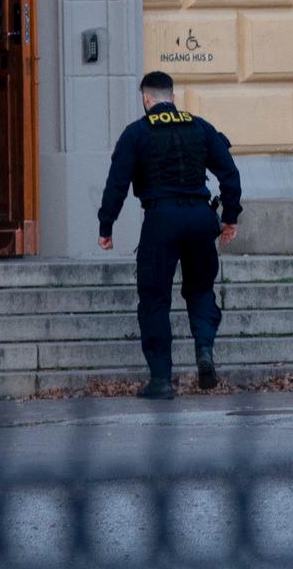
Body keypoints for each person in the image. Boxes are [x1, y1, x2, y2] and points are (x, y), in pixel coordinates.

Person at [97, 71, 243, 400]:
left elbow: (116, 184)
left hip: (160, 219)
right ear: (172, 97)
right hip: (199, 217)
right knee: (201, 289)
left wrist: (106, 226)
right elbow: (229, 173)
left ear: (146, 99)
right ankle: (204, 349)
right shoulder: (201, 127)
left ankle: (161, 380)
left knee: (154, 299)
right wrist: (230, 217)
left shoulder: (136, 133)